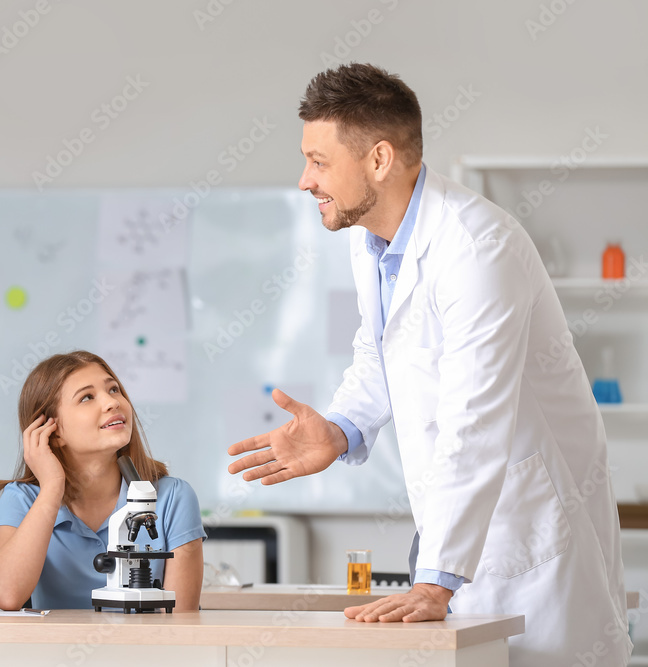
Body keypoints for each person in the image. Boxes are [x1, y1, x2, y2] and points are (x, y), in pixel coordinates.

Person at [227, 64, 630, 666]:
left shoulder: (476, 249)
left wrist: (436, 579)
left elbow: (475, 418)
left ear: (380, 159)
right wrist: (340, 430)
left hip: (529, 542)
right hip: (464, 542)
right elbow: (381, 352)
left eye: (319, 160)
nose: (306, 179)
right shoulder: (378, 244)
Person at [0, 351, 205, 611]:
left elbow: (180, 622)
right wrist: (53, 487)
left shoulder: (174, 498)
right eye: (87, 397)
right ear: (51, 432)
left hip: (147, 650)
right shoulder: (22, 498)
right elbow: (7, 595)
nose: (112, 403)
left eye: (113, 389)